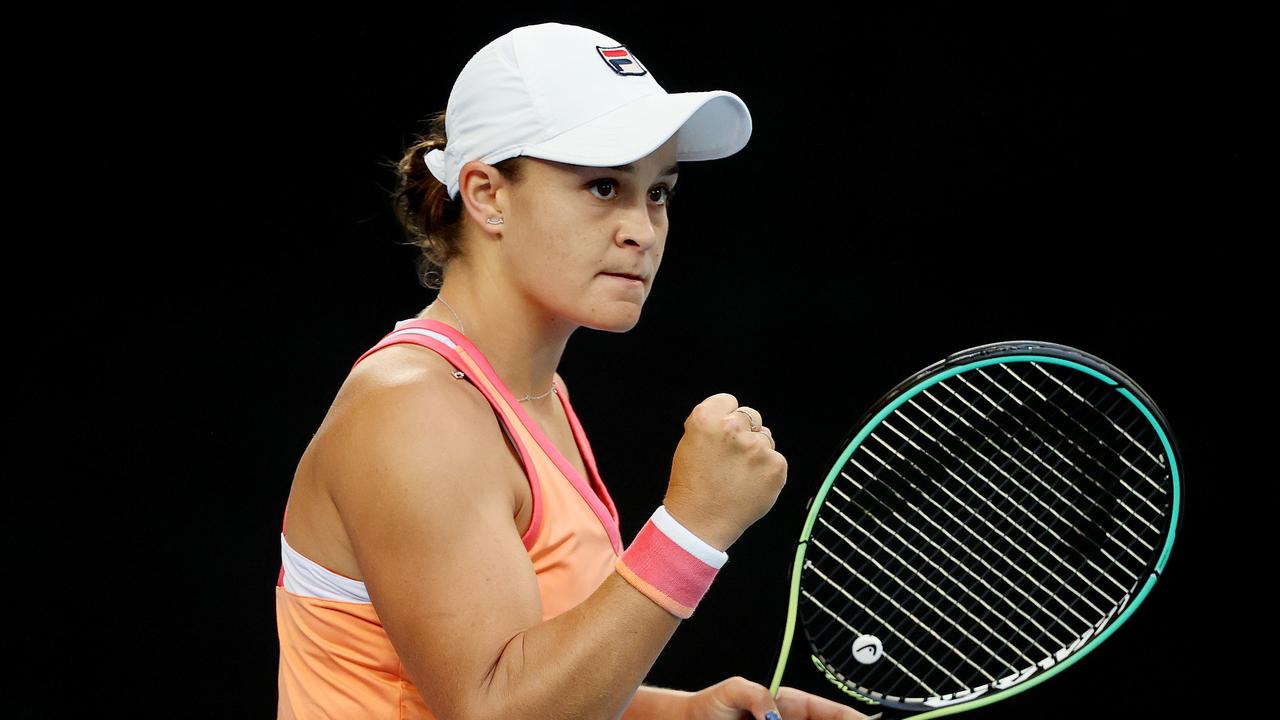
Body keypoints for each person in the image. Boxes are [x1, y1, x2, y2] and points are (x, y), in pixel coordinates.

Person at [275, 21, 878, 720]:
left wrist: (682, 715)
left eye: (658, 192)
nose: (642, 230)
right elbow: (496, 711)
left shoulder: (532, 394)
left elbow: (527, 674)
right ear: (486, 194)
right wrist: (692, 530)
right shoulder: (414, 410)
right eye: (601, 187)